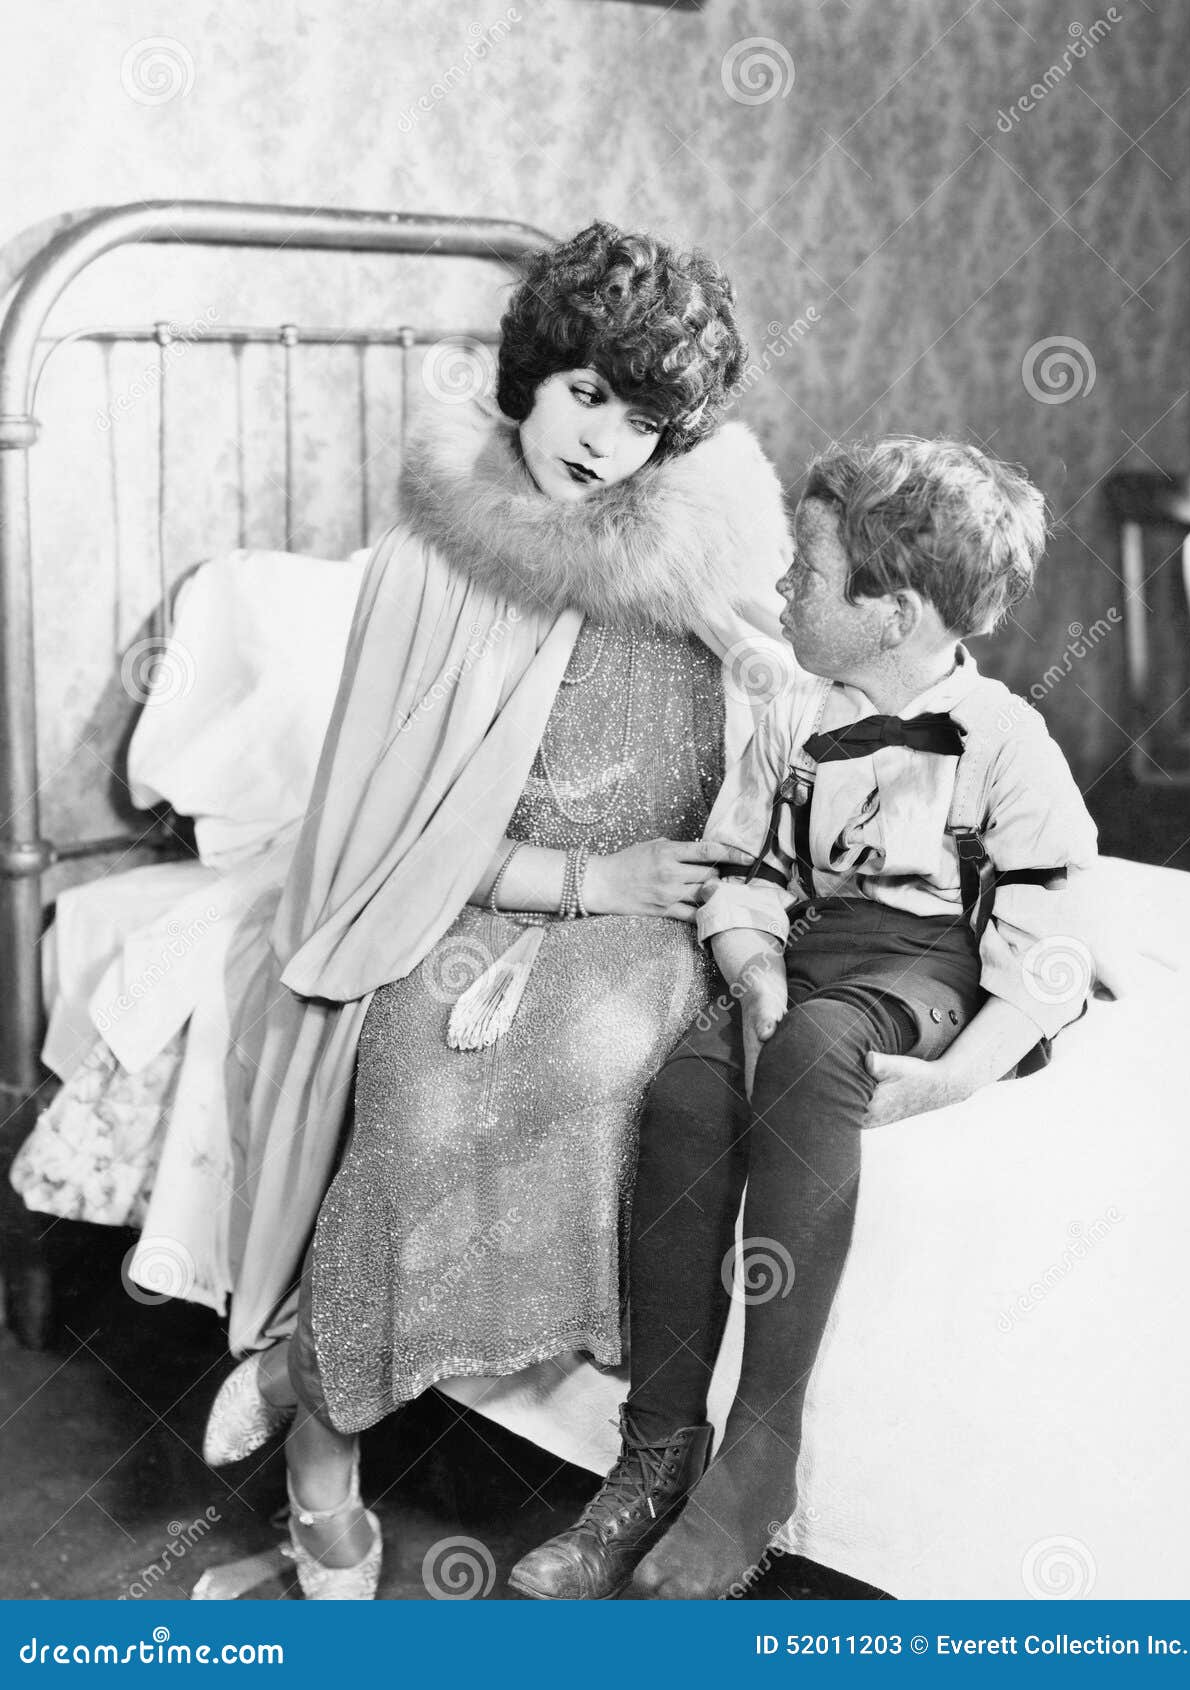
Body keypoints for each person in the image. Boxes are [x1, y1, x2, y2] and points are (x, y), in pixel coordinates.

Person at [196, 222, 795, 1599]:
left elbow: (769, 700)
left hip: (651, 920)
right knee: (414, 1083)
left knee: (593, 1065)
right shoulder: (430, 558)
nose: (602, 444)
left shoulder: (691, 549)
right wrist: (587, 880)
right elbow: (394, 831)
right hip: (487, 895)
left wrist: (761, 679)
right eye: (589, 393)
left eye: (643, 422)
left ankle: (303, 1363)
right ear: (533, 371)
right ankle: (325, 1445)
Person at [509, 436, 1101, 1601]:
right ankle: (654, 1449)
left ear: (891, 611)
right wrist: (748, 956)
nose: (781, 587)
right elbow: (743, 865)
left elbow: (1052, 942)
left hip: (935, 963)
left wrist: (958, 1075)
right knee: (685, 1088)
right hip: (812, 951)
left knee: (819, 1048)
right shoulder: (786, 712)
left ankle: (758, 1459)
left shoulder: (1005, 743)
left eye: (811, 572)